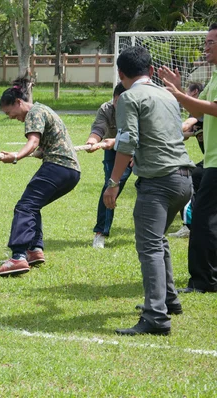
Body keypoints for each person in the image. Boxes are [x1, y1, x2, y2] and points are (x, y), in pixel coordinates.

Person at [104, 46, 195, 336]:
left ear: (121, 74)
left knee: (150, 247)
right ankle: (169, 300)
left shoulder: (129, 97)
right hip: (184, 181)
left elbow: (127, 141)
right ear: (152, 70)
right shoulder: (168, 95)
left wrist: (114, 182)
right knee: (159, 241)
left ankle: (156, 316)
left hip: (158, 184)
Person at [0, 77, 81, 277]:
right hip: (71, 171)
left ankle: (17, 257)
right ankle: (34, 250)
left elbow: (33, 141)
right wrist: (40, 151)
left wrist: (15, 156)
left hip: (57, 166)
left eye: (9, 113)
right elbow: (46, 143)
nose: (12, 117)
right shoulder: (44, 109)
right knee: (33, 205)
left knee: (25, 206)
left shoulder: (34, 112)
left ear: (18, 102)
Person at [160, 23, 217, 294]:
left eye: (211, 42)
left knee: (203, 219)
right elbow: (199, 110)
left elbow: (213, 109)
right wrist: (180, 93)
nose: (205, 46)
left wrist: (179, 95)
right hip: (212, 161)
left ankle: (204, 281)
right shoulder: (214, 75)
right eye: (205, 42)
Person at [84, 83, 132, 248]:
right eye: (116, 101)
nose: (118, 106)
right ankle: (100, 232)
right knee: (109, 186)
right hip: (112, 149)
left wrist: (136, 154)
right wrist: (92, 140)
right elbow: (99, 127)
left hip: (140, 149)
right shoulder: (107, 108)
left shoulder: (138, 108)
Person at [168, 82, 204, 239]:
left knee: (189, 181)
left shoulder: (201, 109)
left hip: (213, 160)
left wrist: (163, 129)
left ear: (195, 92)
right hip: (210, 159)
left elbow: (185, 126)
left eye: (187, 93)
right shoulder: (195, 113)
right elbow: (185, 135)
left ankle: (189, 226)